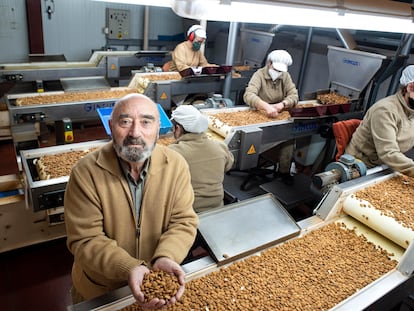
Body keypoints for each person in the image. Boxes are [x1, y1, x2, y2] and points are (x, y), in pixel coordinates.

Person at [64, 93, 199, 309]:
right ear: (111, 126)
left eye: (146, 122)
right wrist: (130, 268)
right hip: (100, 290)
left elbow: (183, 221)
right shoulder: (86, 172)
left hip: (154, 282)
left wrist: (166, 256)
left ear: (158, 129)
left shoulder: (176, 165)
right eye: (125, 121)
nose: (135, 132)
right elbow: (86, 239)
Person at [345, 65, 414, 177]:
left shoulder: (411, 110)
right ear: (410, 88)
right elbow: (388, 153)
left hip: (387, 166)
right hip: (362, 168)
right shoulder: (385, 110)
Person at [243, 49, 299, 184]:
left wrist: (282, 104)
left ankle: (283, 171)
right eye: (276, 69)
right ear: (269, 63)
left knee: (289, 138)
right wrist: (265, 106)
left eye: (281, 71)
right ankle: (252, 167)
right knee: (254, 140)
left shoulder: (285, 76)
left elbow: (294, 96)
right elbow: (249, 95)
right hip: (260, 113)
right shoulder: (259, 75)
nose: (278, 74)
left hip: (278, 114)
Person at [169, 105, 234, 213]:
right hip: (217, 209)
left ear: (178, 128)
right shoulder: (220, 147)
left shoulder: (172, 153)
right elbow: (229, 165)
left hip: (186, 214)